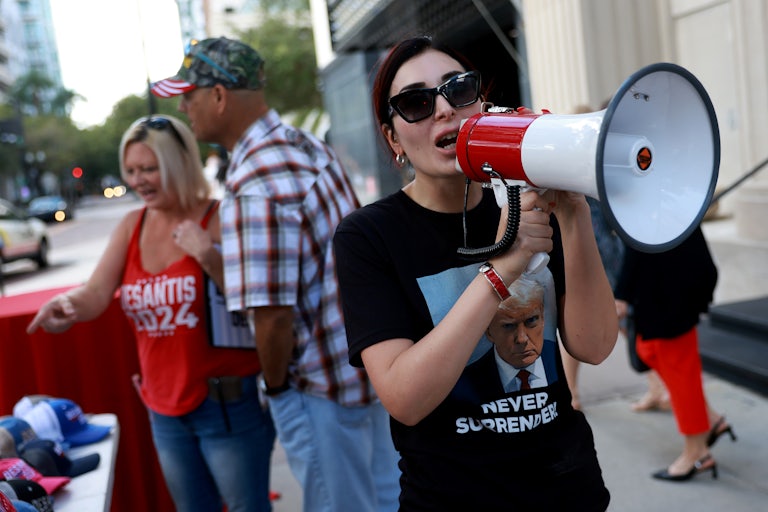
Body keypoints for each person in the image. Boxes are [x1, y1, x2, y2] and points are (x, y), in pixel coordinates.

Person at [333, 35, 618, 510]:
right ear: (392, 137)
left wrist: (574, 214)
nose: (443, 109)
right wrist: (502, 268)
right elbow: (405, 398)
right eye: (416, 103)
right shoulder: (368, 236)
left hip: (570, 492)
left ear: (482, 104)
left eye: (458, 89)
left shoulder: (528, 199)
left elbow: (595, 345)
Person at [150, 37, 400, 512]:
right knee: (386, 500)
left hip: (318, 388)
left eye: (189, 94)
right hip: (363, 372)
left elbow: (271, 317)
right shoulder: (302, 145)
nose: (184, 107)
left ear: (219, 96)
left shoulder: (254, 181)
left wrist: (279, 391)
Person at [26, 115, 276, 512]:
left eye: (150, 168)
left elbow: (258, 301)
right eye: (132, 170)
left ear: (179, 163)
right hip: (162, 408)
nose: (138, 179)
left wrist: (207, 255)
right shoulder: (132, 224)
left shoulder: (219, 217)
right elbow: (96, 292)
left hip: (226, 406)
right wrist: (69, 306)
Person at [614, 224, 735, 481]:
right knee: (650, 352)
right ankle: (711, 420)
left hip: (669, 295)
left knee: (680, 373)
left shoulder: (660, 200)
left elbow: (639, 244)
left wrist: (622, 294)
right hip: (660, 289)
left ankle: (697, 453)